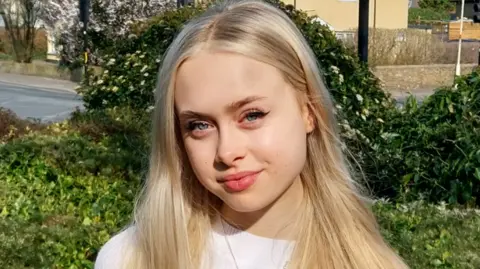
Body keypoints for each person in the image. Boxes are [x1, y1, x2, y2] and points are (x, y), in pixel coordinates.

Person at [94, 0, 410, 268]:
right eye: (199, 126)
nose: (227, 152)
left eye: (252, 115)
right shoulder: (133, 258)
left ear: (308, 112)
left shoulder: (367, 261)